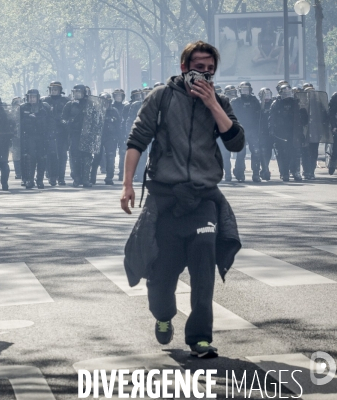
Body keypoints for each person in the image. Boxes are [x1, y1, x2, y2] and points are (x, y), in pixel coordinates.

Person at [121, 41, 244, 359]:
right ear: (183, 67)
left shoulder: (220, 101)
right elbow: (137, 140)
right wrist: (127, 185)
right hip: (165, 200)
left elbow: (236, 142)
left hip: (203, 200)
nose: (202, 73)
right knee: (162, 278)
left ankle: (200, 338)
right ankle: (163, 315)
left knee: (204, 266)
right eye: (197, 67)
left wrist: (213, 104)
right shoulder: (161, 97)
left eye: (209, 68)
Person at [269, 84, 308, 181]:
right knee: (282, 154)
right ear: (280, 93)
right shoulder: (276, 103)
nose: (287, 95)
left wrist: (303, 109)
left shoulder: (297, 103)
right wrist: (272, 130)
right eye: (284, 93)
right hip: (281, 133)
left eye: (289, 93)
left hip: (295, 132)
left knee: (296, 153)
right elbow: (271, 118)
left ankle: (296, 172)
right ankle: (284, 173)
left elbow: (304, 120)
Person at [20, 89, 52, 189]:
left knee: (41, 158)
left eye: (34, 97)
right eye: (30, 97)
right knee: (30, 158)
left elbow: (50, 121)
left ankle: (40, 180)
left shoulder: (44, 107)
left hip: (42, 136)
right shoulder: (23, 107)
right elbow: (18, 123)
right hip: (29, 137)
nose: (32, 99)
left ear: (38, 97)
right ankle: (29, 179)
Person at [230, 82, 261, 182]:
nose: (245, 92)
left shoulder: (255, 101)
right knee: (241, 154)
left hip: (253, 130)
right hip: (241, 130)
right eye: (243, 89)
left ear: (250, 90)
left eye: (247, 89)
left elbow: (259, 116)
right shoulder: (236, 101)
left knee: (256, 152)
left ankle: (256, 174)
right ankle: (240, 173)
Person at [44, 81, 70, 186]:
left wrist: (65, 122)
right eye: (52, 89)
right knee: (51, 155)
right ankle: (52, 177)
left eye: (56, 89)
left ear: (60, 90)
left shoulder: (66, 101)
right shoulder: (45, 101)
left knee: (62, 156)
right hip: (49, 132)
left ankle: (61, 177)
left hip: (62, 132)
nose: (54, 91)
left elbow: (69, 115)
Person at [91, 92, 120, 185]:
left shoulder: (114, 111)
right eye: (103, 102)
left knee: (110, 157)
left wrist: (118, 138)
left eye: (107, 102)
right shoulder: (95, 111)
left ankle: (109, 177)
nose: (105, 104)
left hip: (110, 137)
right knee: (96, 157)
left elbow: (119, 125)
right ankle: (92, 177)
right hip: (98, 137)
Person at [258, 88, 274, 180]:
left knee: (268, 151)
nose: (267, 98)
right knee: (263, 151)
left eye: (268, 95)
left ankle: (265, 168)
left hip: (272, 132)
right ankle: (265, 170)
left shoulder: (274, 104)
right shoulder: (259, 105)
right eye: (265, 95)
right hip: (262, 131)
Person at [112, 89, 126, 181]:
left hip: (123, 132)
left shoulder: (126, 106)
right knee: (111, 154)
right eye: (116, 96)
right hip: (112, 133)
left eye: (120, 96)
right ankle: (110, 172)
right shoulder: (111, 107)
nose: (118, 97)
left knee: (123, 153)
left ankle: (121, 173)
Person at [328, 91, 337, 174]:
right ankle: (332, 165)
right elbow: (331, 112)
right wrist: (334, 126)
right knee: (336, 149)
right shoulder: (336, 96)